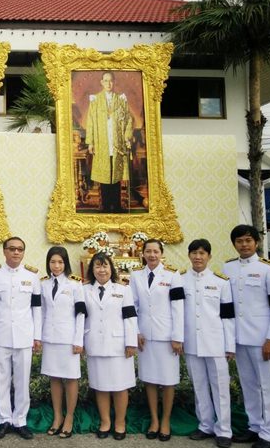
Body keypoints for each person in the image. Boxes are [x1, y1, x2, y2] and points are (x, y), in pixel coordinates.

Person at [223, 225, 270, 448]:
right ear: (234, 244)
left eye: (248, 240)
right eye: (239, 241)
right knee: (248, 384)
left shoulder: (269, 269)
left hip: (262, 339)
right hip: (239, 338)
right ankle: (255, 426)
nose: (244, 244)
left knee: (267, 386)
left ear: (256, 242)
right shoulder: (228, 268)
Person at [0, 237, 41, 440]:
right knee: (1, 379)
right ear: (4, 251)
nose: (16, 252)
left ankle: (20, 420)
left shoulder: (32, 276)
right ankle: (4, 420)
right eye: (12, 249)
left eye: (20, 249)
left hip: (25, 335)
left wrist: (37, 336)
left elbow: (37, 308)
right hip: (0, 335)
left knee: (22, 379)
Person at [130, 239, 184, 441]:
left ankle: (166, 421)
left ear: (162, 253)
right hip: (145, 336)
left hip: (167, 336)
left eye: (155, 251)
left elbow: (178, 307)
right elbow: (133, 306)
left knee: (168, 381)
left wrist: (177, 337)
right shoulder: (136, 275)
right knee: (150, 380)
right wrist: (135, 331)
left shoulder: (172, 275)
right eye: (148, 251)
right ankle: (154, 420)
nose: (152, 255)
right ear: (142, 253)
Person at [182, 239, 235, 448]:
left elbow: (228, 316)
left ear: (209, 257)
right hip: (192, 342)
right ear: (189, 256)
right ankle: (205, 425)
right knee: (199, 386)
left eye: (202, 253)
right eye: (194, 253)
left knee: (220, 387)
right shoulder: (180, 280)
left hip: (216, 343)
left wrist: (230, 345)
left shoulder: (221, 282)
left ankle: (224, 430)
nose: (198, 257)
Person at [83, 252, 138, 441]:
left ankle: (120, 423)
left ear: (111, 268)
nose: (102, 270)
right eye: (97, 266)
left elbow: (130, 318)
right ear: (92, 269)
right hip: (94, 344)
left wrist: (131, 342)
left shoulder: (123, 290)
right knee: (101, 385)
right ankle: (105, 422)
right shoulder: (84, 290)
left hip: (118, 346)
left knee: (120, 386)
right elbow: (80, 319)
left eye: (105, 266)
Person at [39, 246, 85, 439]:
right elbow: (40, 312)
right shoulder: (42, 283)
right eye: (52, 262)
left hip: (68, 339)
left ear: (65, 263)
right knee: (54, 377)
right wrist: (38, 337)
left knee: (71, 378)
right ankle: (57, 417)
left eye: (60, 262)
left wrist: (78, 339)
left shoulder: (75, 284)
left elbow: (81, 313)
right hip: (50, 337)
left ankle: (69, 418)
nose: (56, 266)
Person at [85, 71, 133, 212]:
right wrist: (91, 142)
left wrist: (127, 137)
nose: (108, 83)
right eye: (105, 81)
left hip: (117, 143)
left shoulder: (121, 100)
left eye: (111, 81)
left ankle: (116, 206)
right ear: (101, 82)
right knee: (105, 175)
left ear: (114, 82)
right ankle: (106, 206)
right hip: (102, 143)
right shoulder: (95, 101)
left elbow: (129, 120)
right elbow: (90, 122)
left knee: (116, 176)